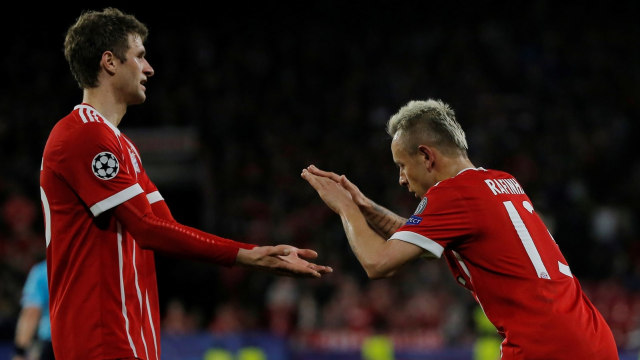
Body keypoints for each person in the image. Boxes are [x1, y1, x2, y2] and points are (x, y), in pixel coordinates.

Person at [40, 8, 331, 360]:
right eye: (141, 56)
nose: (149, 69)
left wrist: (256, 251)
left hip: (131, 341)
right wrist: (253, 257)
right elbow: (147, 229)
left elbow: (167, 228)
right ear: (109, 62)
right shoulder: (81, 134)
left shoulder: (123, 146)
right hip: (99, 342)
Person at [301, 99, 618, 359]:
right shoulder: (501, 181)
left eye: (401, 165)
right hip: (591, 337)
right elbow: (419, 239)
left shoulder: (452, 194)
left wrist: (343, 207)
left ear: (426, 156)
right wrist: (365, 208)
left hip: (546, 347)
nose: (401, 178)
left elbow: (378, 263)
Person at [12, 260, 54, 360]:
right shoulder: (90, 266)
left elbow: (31, 313)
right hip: (90, 341)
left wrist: (20, 352)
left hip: (53, 344)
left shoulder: (42, 271)